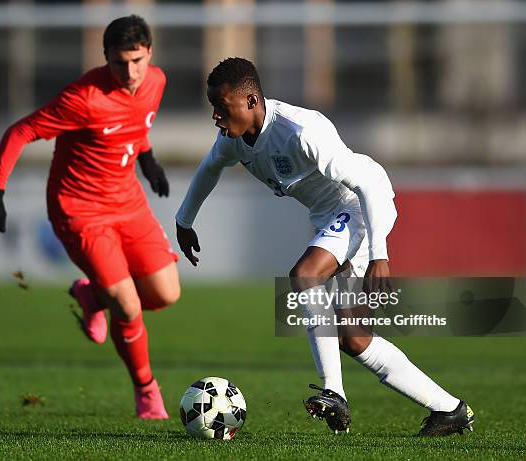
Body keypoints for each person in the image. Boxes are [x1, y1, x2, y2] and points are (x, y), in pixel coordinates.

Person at [175, 57, 474, 436]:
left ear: (250, 101)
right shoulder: (234, 142)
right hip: (331, 217)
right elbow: (208, 169)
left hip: (361, 206)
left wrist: (380, 255)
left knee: (305, 275)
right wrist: (183, 221)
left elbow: (366, 184)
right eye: (213, 108)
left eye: (222, 107)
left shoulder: (302, 131)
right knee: (353, 337)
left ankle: (334, 391)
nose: (216, 116)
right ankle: (450, 410)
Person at [0, 15, 180, 419]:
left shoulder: (156, 81)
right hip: (80, 209)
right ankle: (147, 391)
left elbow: (136, 124)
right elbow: (20, 132)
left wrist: (148, 158)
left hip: (128, 201)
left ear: (149, 53)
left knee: (166, 294)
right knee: (127, 304)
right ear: (106, 57)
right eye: (120, 63)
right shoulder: (83, 98)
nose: (131, 72)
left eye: (137, 60)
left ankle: (90, 295)